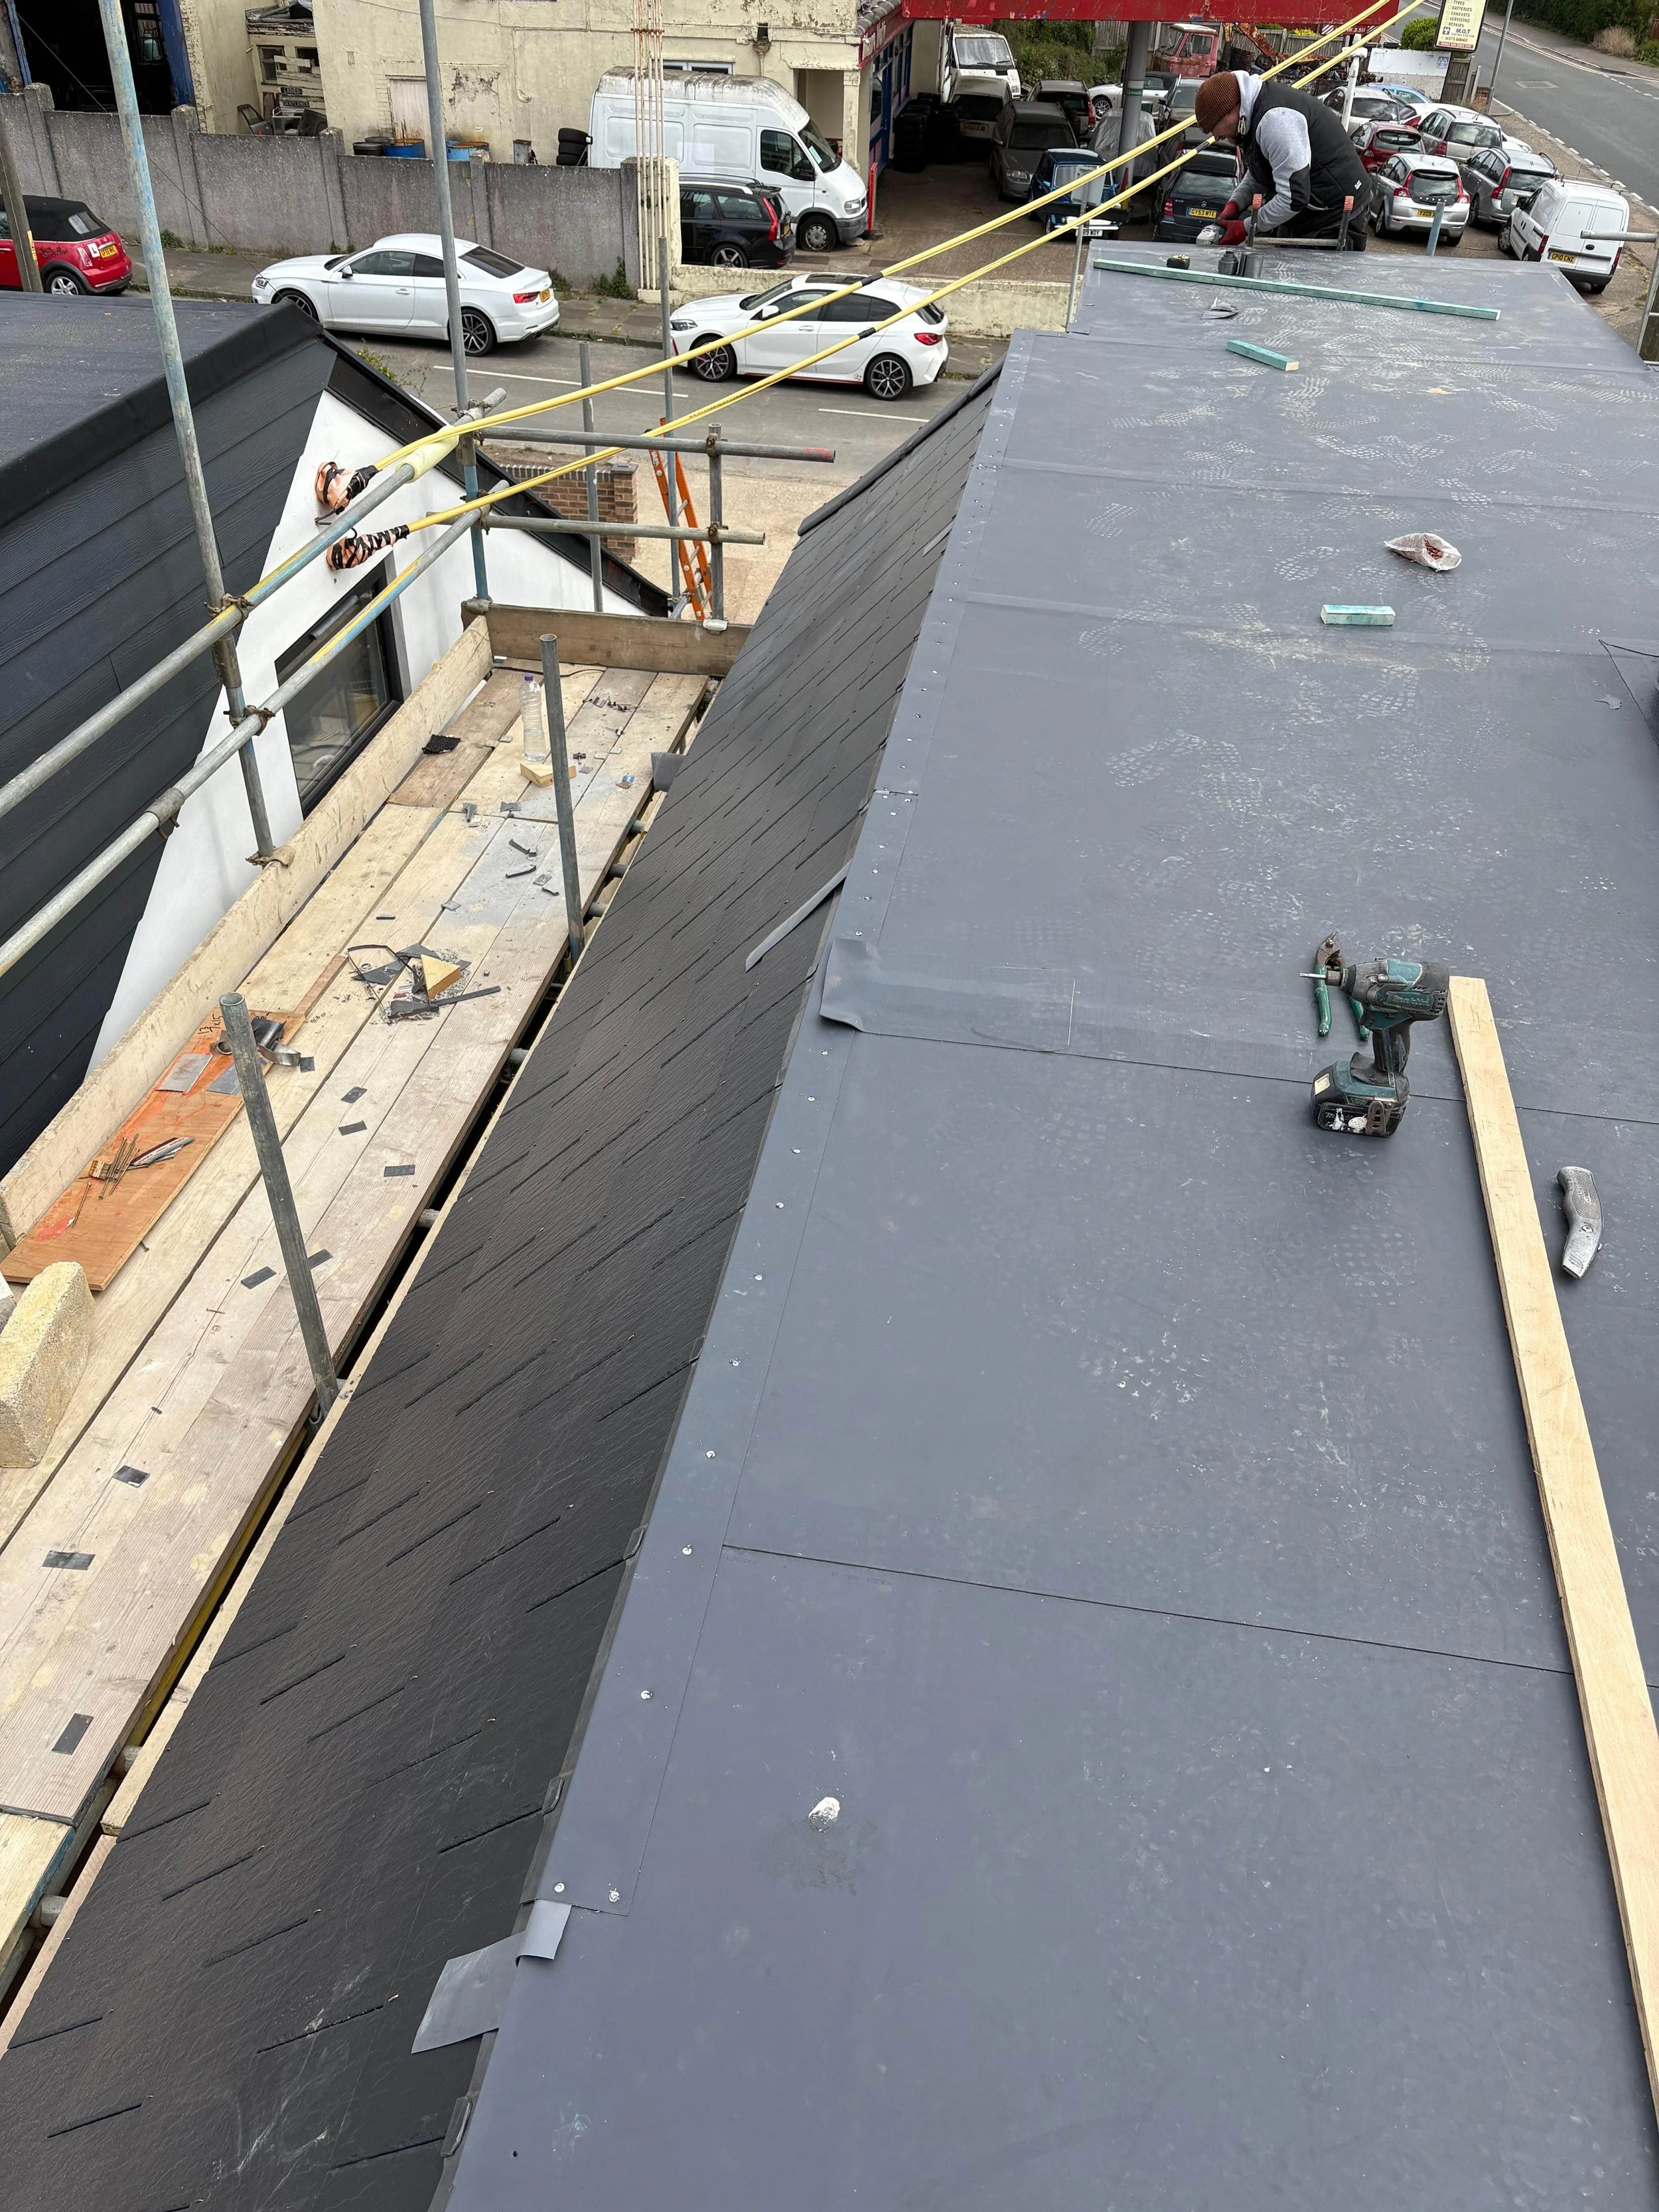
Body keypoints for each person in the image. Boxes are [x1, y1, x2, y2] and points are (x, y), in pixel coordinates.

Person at [1191, 70, 1374, 249]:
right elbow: (1262, 170)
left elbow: (1294, 198)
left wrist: (1244, 228)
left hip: (1334, 217)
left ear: (1231, 112)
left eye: (1215, 127)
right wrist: (1236, 203)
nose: (1216, 137)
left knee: (1314, 277)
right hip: (1308, 212)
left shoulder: (1275, 121)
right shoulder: (1251, 114)